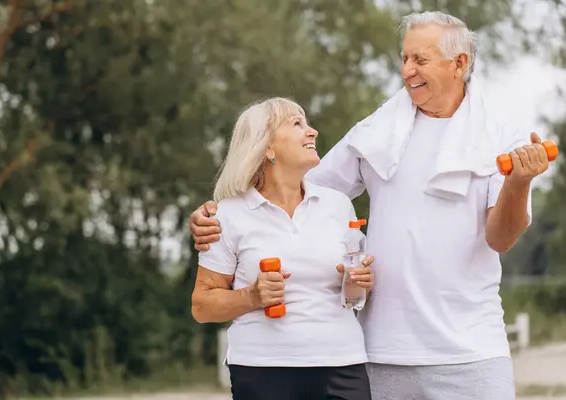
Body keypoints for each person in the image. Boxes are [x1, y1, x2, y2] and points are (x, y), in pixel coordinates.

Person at [190, 11, 553, 400]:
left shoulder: (501, 135)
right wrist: (217, 213)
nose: (406, 71)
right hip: (380, 351)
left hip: (472, 350)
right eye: (404, 58)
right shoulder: (376, 132)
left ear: (459, 64)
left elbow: (500, 238)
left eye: (420, 59)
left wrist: (518, 181)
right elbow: (292, 190)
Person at [190, 97, 374, 400]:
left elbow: (354, 297)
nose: (312, 131)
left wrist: (359, 284)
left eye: (307, 122)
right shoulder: (226, 215)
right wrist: (252, 295)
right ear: (268, 148)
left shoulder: (338, 206)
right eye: (297, 124)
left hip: (342, 364)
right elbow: (201, 306)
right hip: (263, 369)